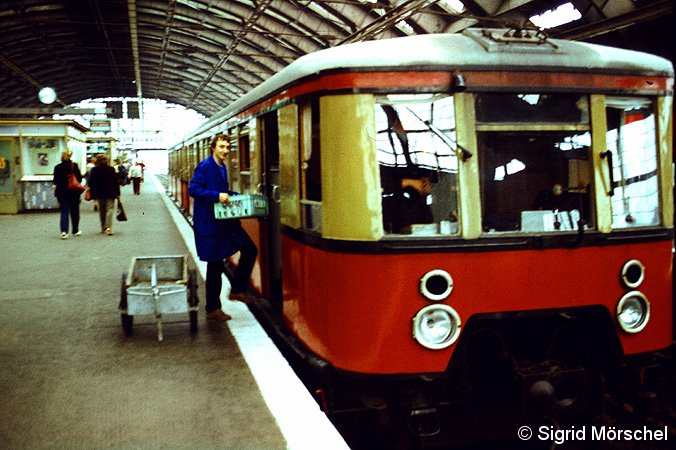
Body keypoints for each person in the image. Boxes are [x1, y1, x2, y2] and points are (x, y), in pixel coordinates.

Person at [188, 134, 258, 322]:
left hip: (226, 221)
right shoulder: (205, 166)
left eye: (227, 147)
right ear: (213, 148)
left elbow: (222, 191)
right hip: (210, 224)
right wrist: (217, 196)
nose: (225, 151)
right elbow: (193, 189)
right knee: (215, 265)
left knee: (250, 249)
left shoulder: (223, 167)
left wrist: (234, 195)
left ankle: (237, 289)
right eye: (221, 147)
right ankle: (212, 308)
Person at [52, 150, 83, 239]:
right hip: (73, 192)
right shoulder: (74, 166)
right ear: (70, 156)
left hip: (61, 192)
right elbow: (79, 179)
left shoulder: (57, 167)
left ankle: (64, 232)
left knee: (64, 211)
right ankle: (75, 230)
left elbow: (55, 181)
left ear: (62, 156)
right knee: (75, 211)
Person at [87, 154, 120, 235]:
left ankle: (103, 227)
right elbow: (116, 182)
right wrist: (118, 193)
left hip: (100, 193)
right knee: (110, 209)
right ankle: (108, 227)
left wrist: (93, 193)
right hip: (111, 192)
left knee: (102, 210)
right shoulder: (111, 169)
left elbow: (91, 182)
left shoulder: (94, 170)